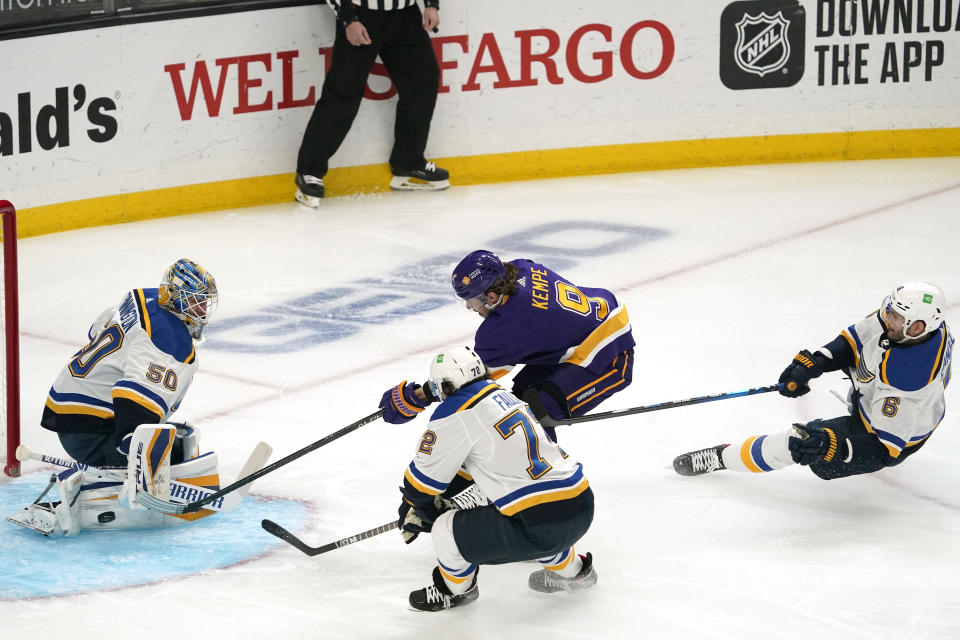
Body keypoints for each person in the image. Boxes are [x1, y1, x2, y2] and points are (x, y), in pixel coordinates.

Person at [386, 346, 596, 611]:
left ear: (444, 385)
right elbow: (476, 460)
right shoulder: (502, 396)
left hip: (540, 522)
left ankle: (454, 591)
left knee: (445, 530)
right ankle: (577, 572)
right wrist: (438, 497)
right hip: (581, 504)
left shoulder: (455, 411)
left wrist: (418, 506)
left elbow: (421, 483)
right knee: (530, 524)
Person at [673, 281, 952, 481]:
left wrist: (833, 446)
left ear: (918, 327)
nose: (886, 317)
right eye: (889, 310)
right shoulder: (913, 329)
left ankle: (722, 457)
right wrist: (816, 362)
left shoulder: (907, 383)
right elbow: (855, 341)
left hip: (889, 433)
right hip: (885, 401)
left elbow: (886, 450)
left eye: (896, 316)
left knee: (797, 444)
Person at [40, 258, 219, 468]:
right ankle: (123, 490)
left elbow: (96, 329)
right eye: (195, 301)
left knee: (178, 434)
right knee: (177, 452)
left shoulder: (143, 297)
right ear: (175, 297)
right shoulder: (168, 339)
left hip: (68, 405)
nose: (202, 310)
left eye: (204, 302)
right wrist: (138, 451)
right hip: (88, 433)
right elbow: (135, 402)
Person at [294, 0, 449, 206]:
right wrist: (349, 18)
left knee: (423, 81)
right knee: (343, 93)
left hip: (406, 16)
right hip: (362, 16)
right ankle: (309, 170)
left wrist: (431, 5)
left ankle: (409, 161)